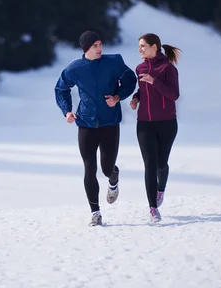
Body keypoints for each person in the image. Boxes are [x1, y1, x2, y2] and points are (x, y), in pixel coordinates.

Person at [55, 31, 137, 226]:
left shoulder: (114, 62)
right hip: (85, 124)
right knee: (89, 168)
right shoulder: (75, 68)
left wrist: (118, 97)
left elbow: (130, 80)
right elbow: (61, 88)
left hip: (110, 123)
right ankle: (95, 212)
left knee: (107, 167)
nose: (100, 49)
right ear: (86, 49)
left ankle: (113, 177)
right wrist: (67, 111)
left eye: (100, 44)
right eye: (95, 46)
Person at [130, 33, 181, 223]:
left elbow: (174, 94)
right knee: (150, 164)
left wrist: (155, 81)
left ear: (154, 47)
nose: (139, 49)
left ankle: (161, 189)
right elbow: (143, 90)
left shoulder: (167, 68)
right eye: (139, 46)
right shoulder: (140, 68)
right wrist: (136, 98)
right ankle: (152, 208)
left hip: (167, 123)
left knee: (160, 164)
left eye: (143, 46)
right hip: (144, 124)